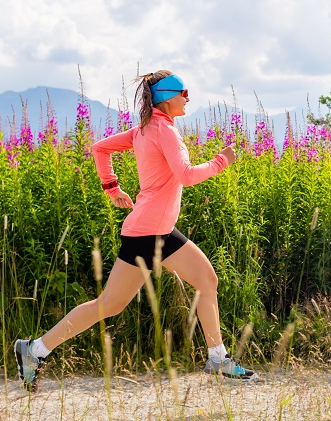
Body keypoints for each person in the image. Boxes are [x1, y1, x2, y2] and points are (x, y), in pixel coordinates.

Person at [13, 70, 255, 391]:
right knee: (109, 304)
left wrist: (112, 187)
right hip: (145, 234)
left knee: (207, 280)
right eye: (183, 92)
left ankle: (217, 357)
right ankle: (34, 350)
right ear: (167, 96)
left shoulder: (147, 128)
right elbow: (185, 175)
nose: (188, 98)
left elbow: (100, 148)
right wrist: (220, 162)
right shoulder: (162, 131)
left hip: (162, 231)